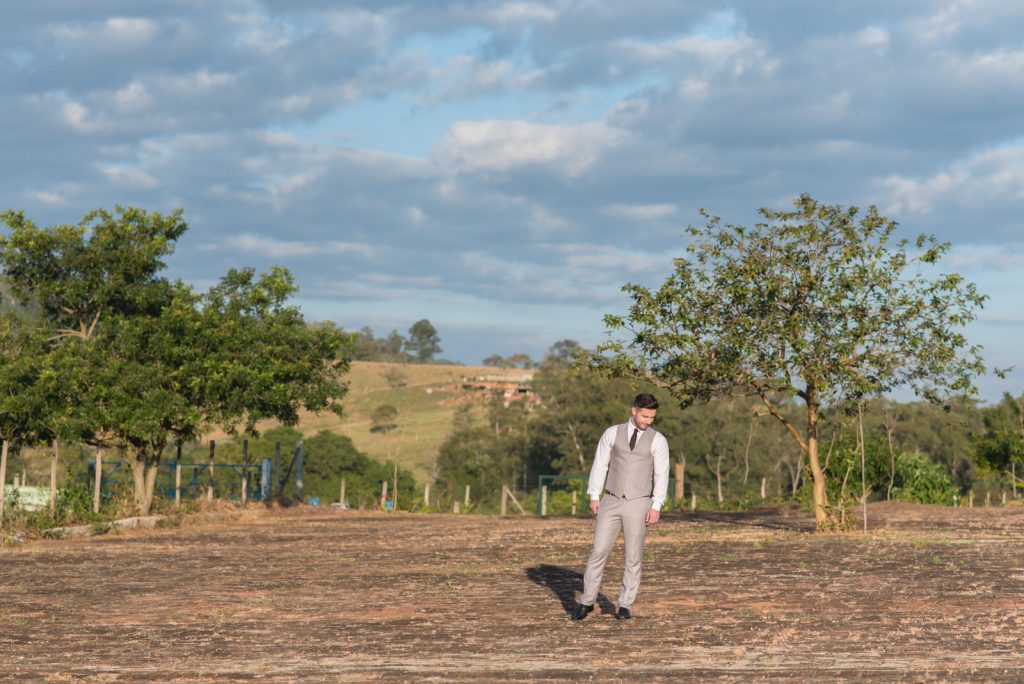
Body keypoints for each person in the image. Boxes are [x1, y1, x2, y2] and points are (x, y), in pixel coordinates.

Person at [571, 393, 670, 621]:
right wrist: (594, 495)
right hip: (611, 499)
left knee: (633, 556)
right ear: (633, 410)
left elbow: (661, 474)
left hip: (639, 502)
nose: (648, 421)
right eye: (645, 416)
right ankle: (587, 601)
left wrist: (656, 504)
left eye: (652, 417)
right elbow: (600, 463)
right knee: (598, 551)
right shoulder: (612, 433)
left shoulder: (658, 440)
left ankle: (625, 604)